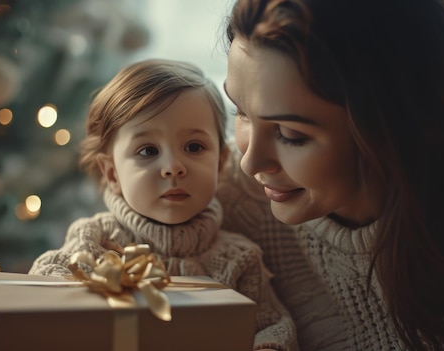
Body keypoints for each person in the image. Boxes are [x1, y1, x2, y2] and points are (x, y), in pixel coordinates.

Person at [216, 0, 444, 350]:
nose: (250, 162)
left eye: (291, 134)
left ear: (399, 126)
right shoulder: (216, 191)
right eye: (241, 112)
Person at [29, 59, 298, 351]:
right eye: (148, 151)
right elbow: (43, 282)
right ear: (112, 173)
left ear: (221, 162)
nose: (172, 167)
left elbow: (272, 325)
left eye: (194, 147)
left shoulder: (240, 258)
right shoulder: (95, 239)